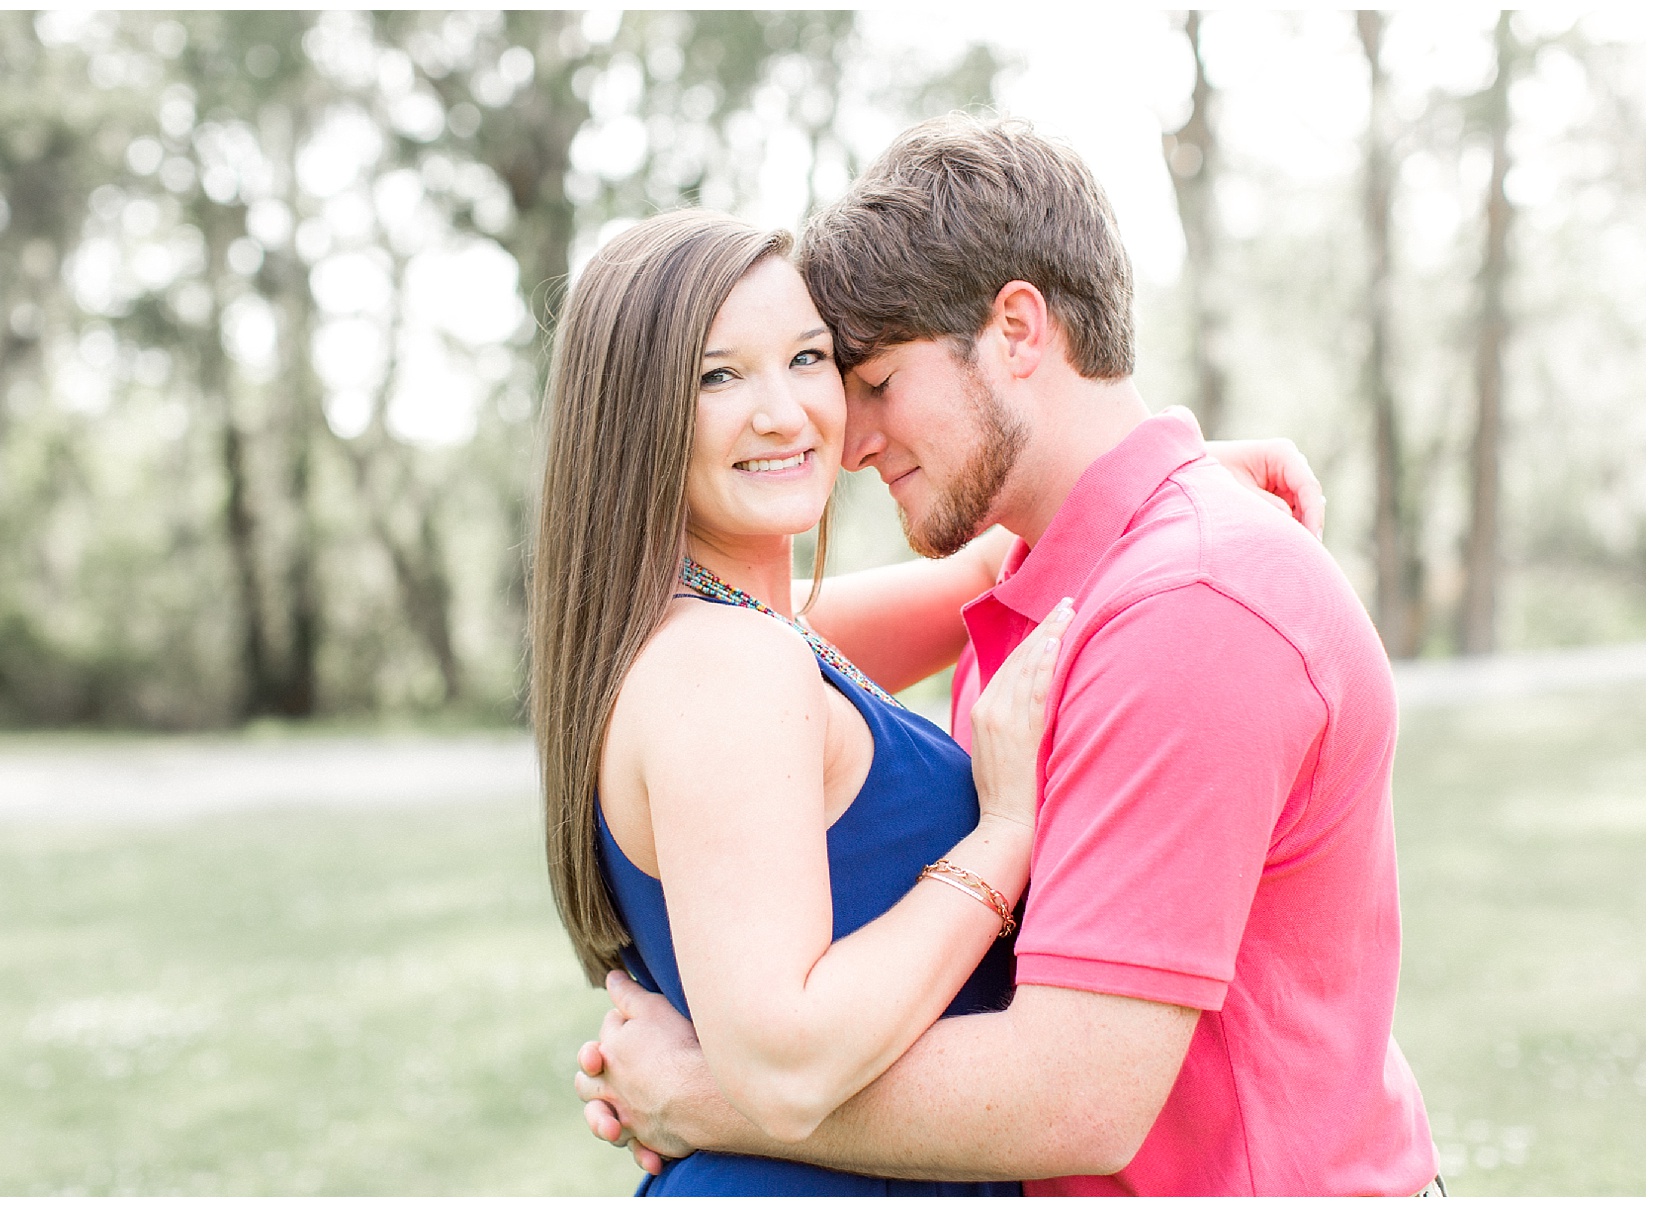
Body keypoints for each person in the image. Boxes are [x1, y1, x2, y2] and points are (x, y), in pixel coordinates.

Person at [573, 115, 1441, 1196]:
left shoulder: (1192, 608)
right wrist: (1147, 485)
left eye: (864, 377)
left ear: (1019, 332)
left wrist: (704, 1093)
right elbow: (753, 653)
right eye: (723, 376)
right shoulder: (1009, 589)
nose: (843, 434)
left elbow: (1073, 1096)